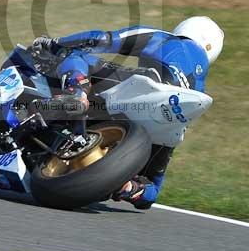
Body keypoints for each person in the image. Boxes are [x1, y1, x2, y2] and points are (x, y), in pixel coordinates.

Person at [32, 16, 224, 209]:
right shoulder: (198, 90)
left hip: (148, 86)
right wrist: (132, 185)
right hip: (166, 121)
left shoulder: (168, 39)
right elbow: (152, 195)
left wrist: (54, 44)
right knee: (152, 183)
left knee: (74, 55)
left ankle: (77, 93)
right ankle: (130, 187)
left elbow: (104, 39)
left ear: (183, 29)